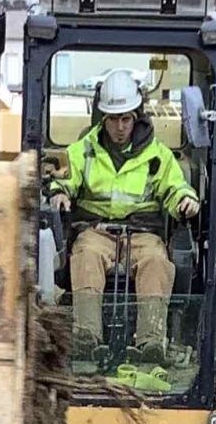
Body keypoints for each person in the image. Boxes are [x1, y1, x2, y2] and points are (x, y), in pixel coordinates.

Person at [49, 68, 198, 368]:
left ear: (137, 116)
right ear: (102, 118)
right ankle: (86, 338)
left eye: (126, 118)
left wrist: (185, 200)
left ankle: (151, 342)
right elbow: (64, 178)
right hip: (96, 231)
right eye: (113, 119)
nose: (119, 126)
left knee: (157, 262)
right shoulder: (83, 150)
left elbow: (175, 187)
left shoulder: (158, 156)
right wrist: (60, 193)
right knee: (86, 255)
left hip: (143, 235)